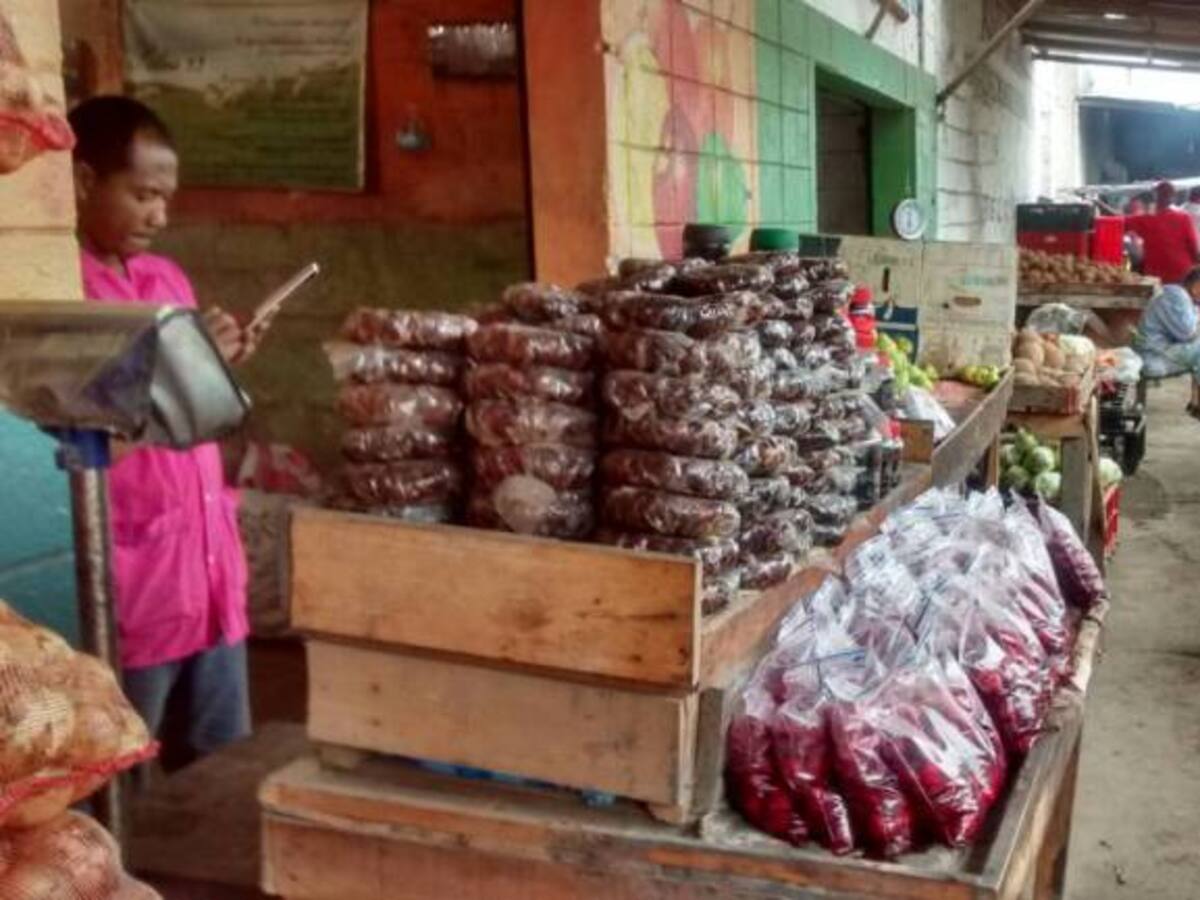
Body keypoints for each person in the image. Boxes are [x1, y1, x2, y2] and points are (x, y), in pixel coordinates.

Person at [69, 96, 273, 772]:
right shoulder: (68, 292)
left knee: (221, 765)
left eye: (166, 198)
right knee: (121, 774)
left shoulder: (165, 278)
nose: (159, 214)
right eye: (143, 195)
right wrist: (176, 368)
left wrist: (217, 364)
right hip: (139, 583)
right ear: (82, 181)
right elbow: (92, 433)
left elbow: (191, 405)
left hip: (209, 574)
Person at [1133, 266, 1200, 416]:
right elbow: (1188, 333)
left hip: (1158, 351)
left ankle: (1196, 401)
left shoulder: (1180, 296)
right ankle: (1197, 402)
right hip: (1152, 357)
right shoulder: (1176, 296)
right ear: (1196, 286)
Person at [1125, 180, 1200, 285]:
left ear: (1156, 197)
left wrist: (1099, 204)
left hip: (1155, 277)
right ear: (1173, 197)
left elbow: (1118, 221)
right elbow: (1193, 249)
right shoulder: (1183, 218)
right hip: (1182, 275)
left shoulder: (1146, 220)